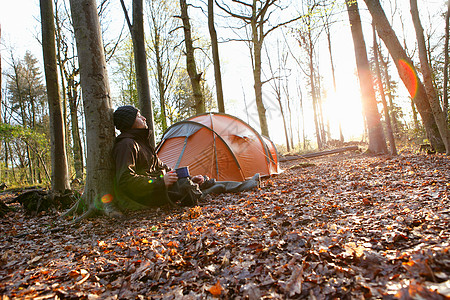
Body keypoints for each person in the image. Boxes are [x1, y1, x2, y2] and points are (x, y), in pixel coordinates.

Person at [112, 105, 260, 210]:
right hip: (151, 194)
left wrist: (189, 176)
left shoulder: (142, 144)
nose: (144, 118)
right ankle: (240, 186)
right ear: (129, 122)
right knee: (191, 187)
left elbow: (163, 167)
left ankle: (246, 184)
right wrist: (159, 182)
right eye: (138, 116)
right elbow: (125, 180)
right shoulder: (126, 145)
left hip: (159, 188)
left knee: (201, 180)